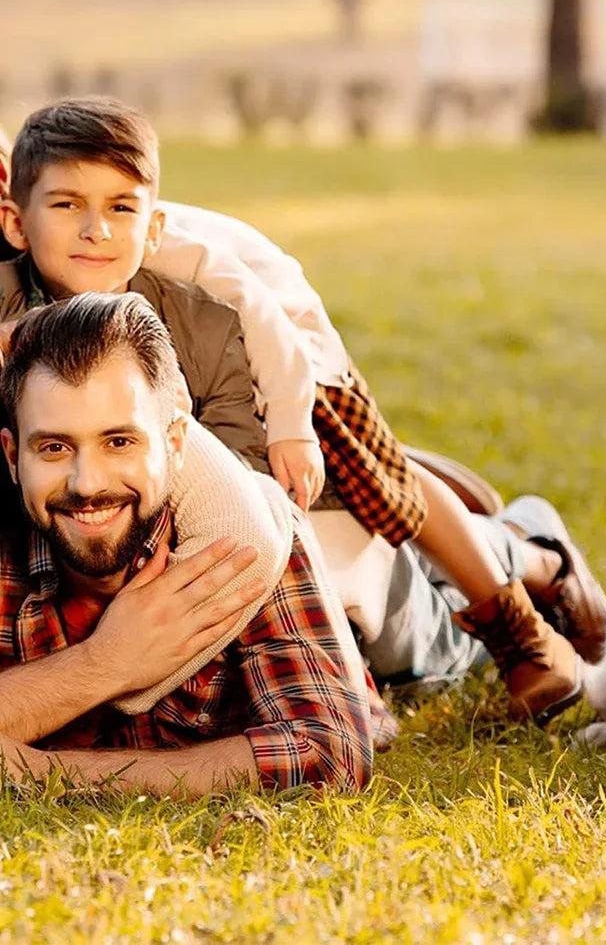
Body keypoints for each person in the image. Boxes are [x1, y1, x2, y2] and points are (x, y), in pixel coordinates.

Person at [0, 98, 606, 722]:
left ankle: (529, 551)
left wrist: (293, 429)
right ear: (17, 221)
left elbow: (258, 370)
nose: (95, 229)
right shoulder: (18, 289)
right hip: (167, 488)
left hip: (291, 403)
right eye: (67, 206)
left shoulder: (195, 290)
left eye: (117, 210)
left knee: (403, 591)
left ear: (151, 225)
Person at [0, 293, 391, 794]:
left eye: (120, 442)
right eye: (54, 447)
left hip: (373, 590)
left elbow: (327, 755)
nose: (87, 483)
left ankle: (517, 536)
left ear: (175, 443)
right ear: (12, 456)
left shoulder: (248, 532)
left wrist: (42, 774)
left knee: (431, 620)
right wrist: (105, 662)